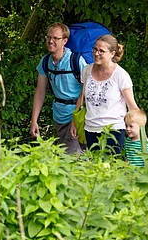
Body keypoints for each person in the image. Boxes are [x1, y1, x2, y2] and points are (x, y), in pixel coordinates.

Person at [71, 34, 138, 154]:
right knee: (94, 169)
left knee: (110, 169)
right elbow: (82, 97)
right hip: (90, 128)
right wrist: (74, 122)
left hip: (113, 130)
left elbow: (132, 106)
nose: (96, 53)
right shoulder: (86, 70)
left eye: (101, 51)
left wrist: (138, 133)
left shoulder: (121, 75)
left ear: (112, 53)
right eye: (95, 49)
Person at [30, 23, 87, 154]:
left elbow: (86, 91)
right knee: (73, 156)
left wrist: (75, 119)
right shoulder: (45, 62)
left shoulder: (76, 61)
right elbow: (40, 92)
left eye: (56, 38)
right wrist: (34, 120)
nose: (51, 41)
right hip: (59, 115)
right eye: (49, 37)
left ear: (65, 41)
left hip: (77, 115)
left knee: (70, 158)